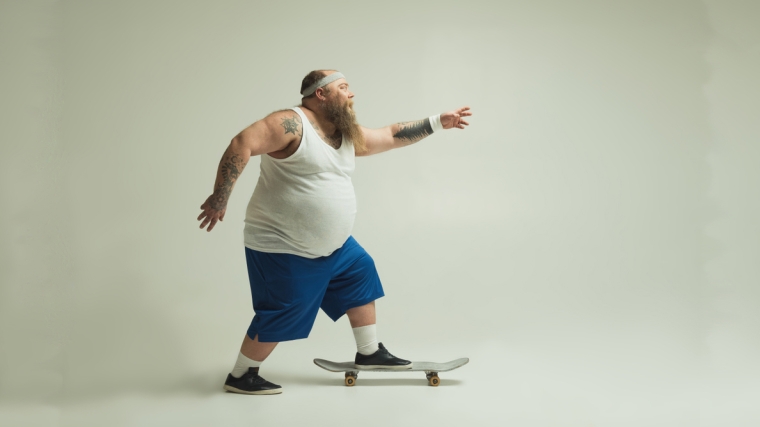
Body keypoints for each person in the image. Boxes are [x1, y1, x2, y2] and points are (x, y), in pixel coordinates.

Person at [197, 70, 472, 395]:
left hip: (335, 246)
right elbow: (242, 143)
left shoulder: (345, 134)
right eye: (343, 87)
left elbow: (390, 135)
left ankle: (369, 352)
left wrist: (439, 121)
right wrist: (220, 197)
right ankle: (241, 375)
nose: (351, 94)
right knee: (283, 310)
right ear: (321, 93)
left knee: (360, 272)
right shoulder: (291, 123)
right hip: (282, 245)